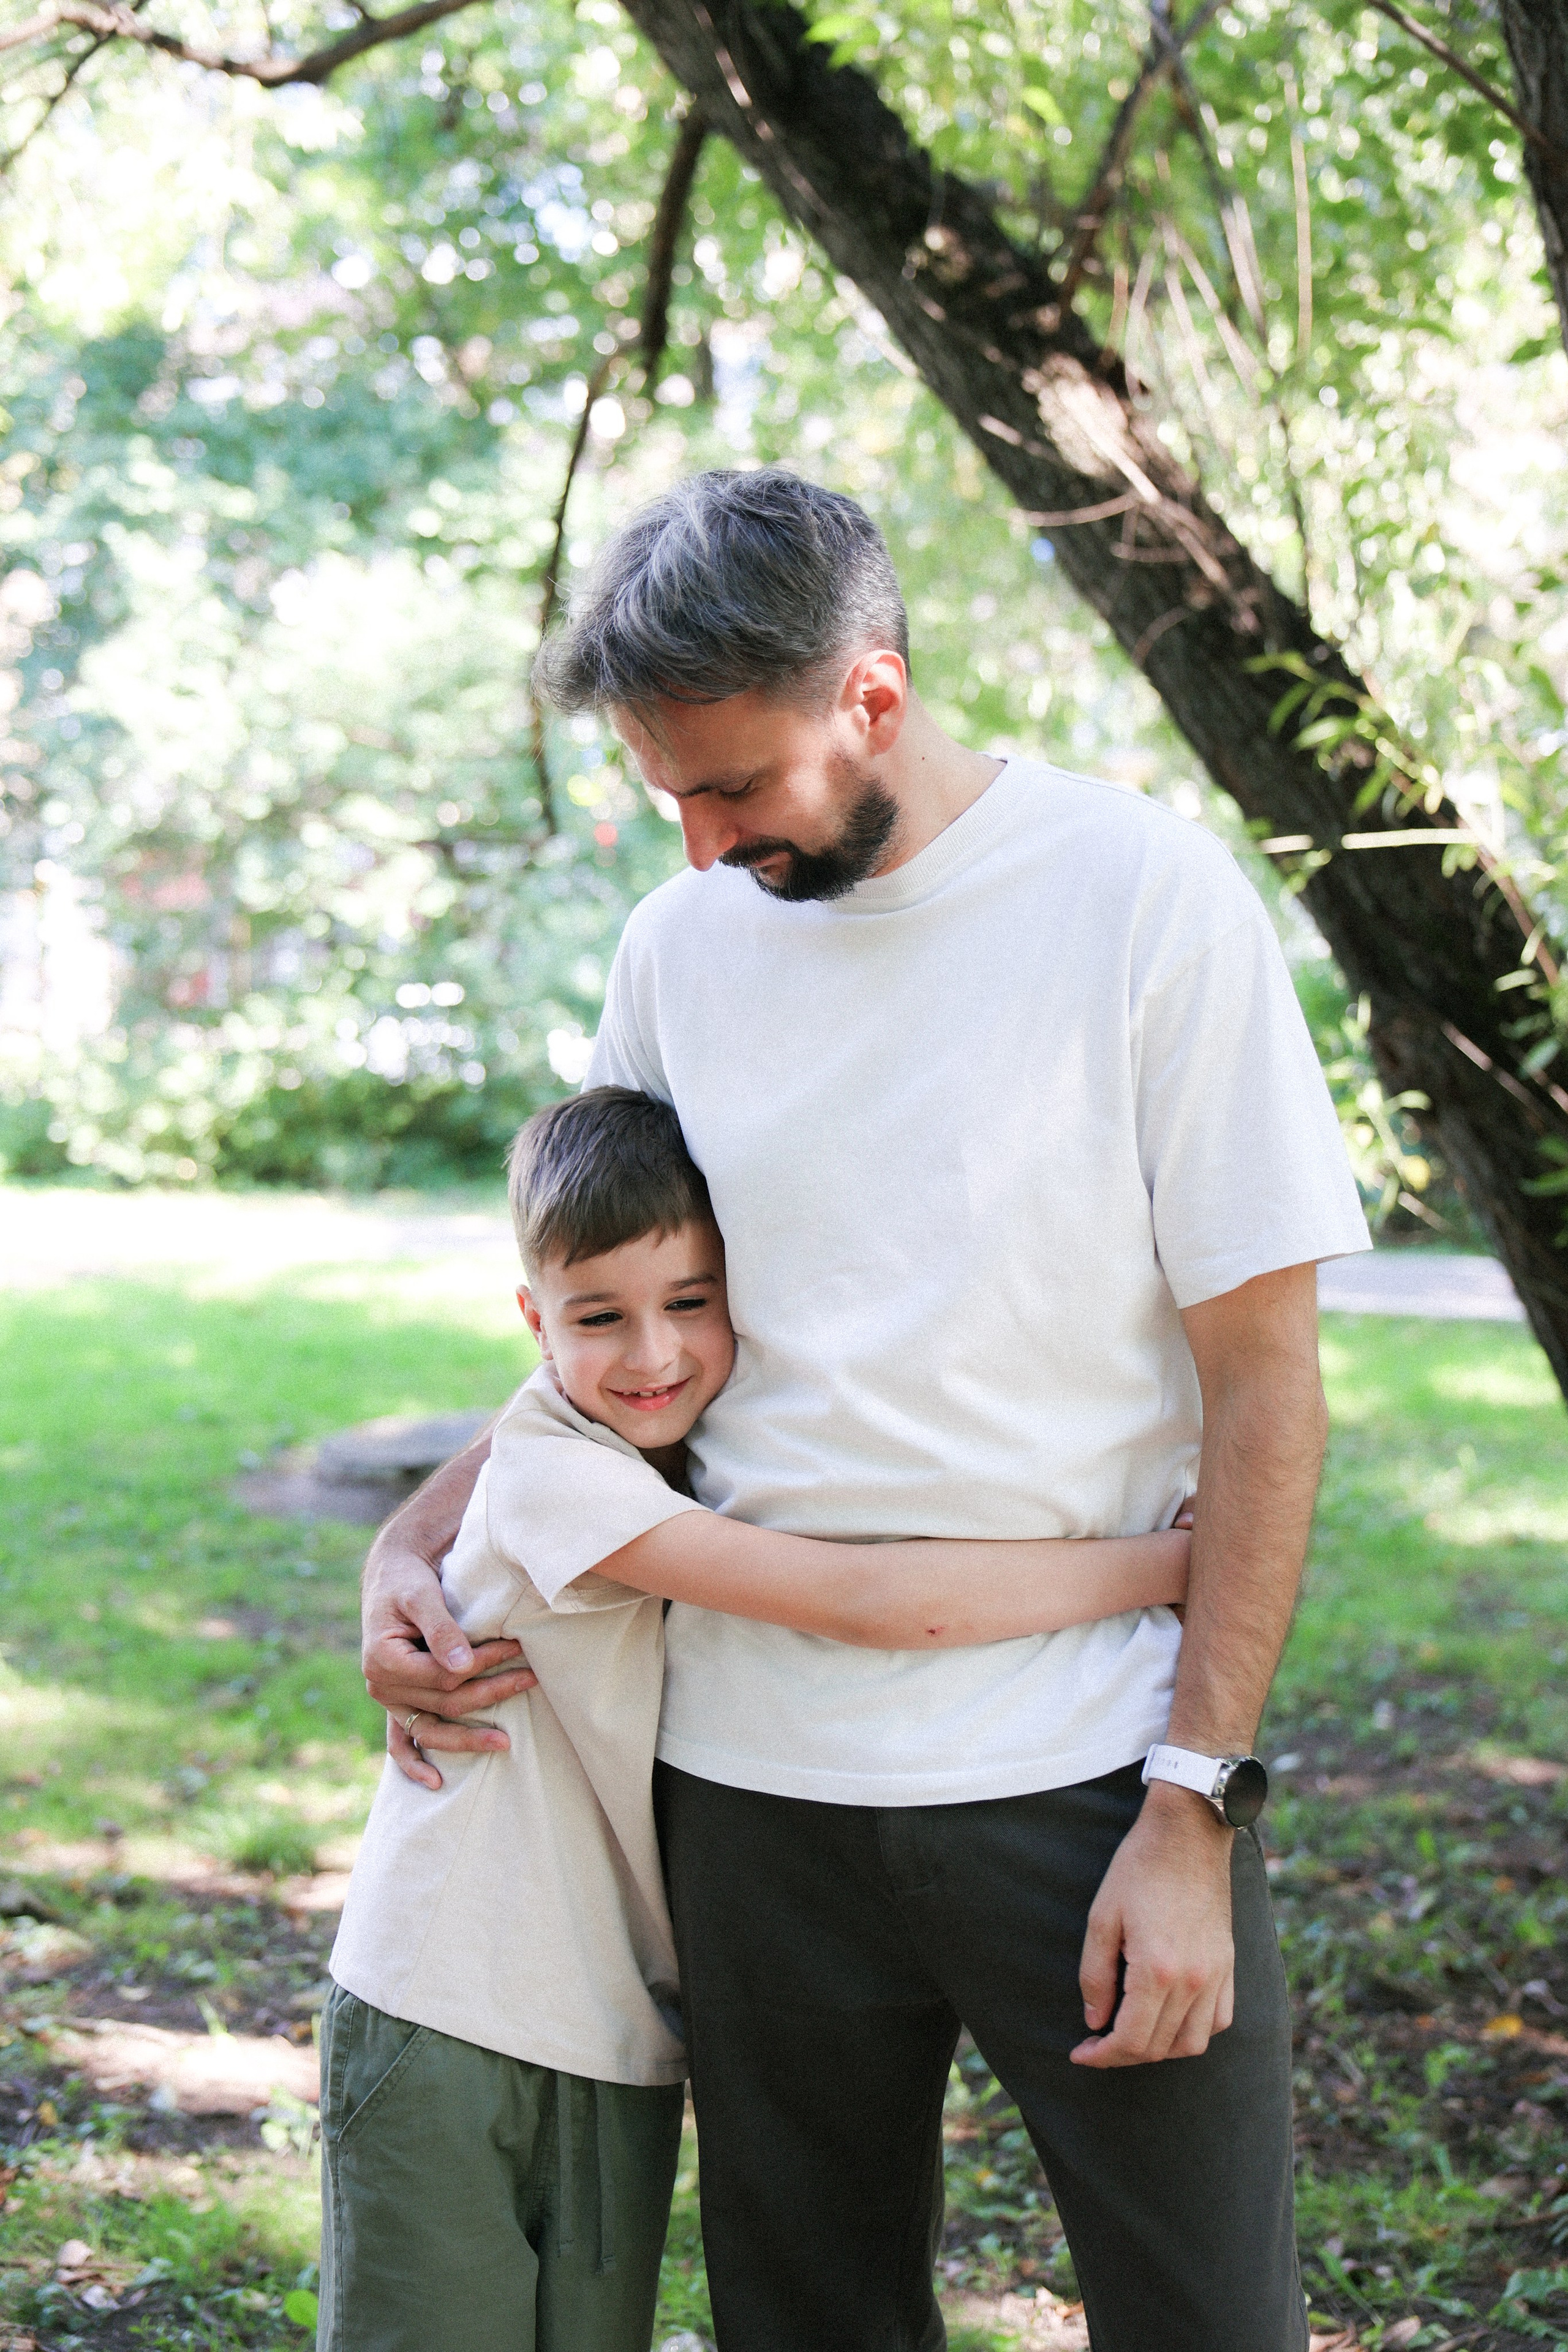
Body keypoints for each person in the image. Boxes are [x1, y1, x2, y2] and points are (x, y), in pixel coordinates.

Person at [361, 469, 1371, 2352]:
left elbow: (1266, 1383)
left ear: (874, 698)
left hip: (1093, 1780)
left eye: (734, 788)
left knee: (1209, 2321)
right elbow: (616, 1345)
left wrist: (1195, 1803)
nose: (698, 845)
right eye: (669, 795)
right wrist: (411, 1546)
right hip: (751, 1801)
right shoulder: (680, 950)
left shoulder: (1143, 902)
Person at [323, 1084, 1191, 2352]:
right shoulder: (558, 1476)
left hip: (600, 2021)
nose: (652, 1356)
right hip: (450, 2003)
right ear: (533, 1323)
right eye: (599, 1318)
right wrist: (1176, 1562)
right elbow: (869, 1599)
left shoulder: (668, 1447)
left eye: (691, 1303)